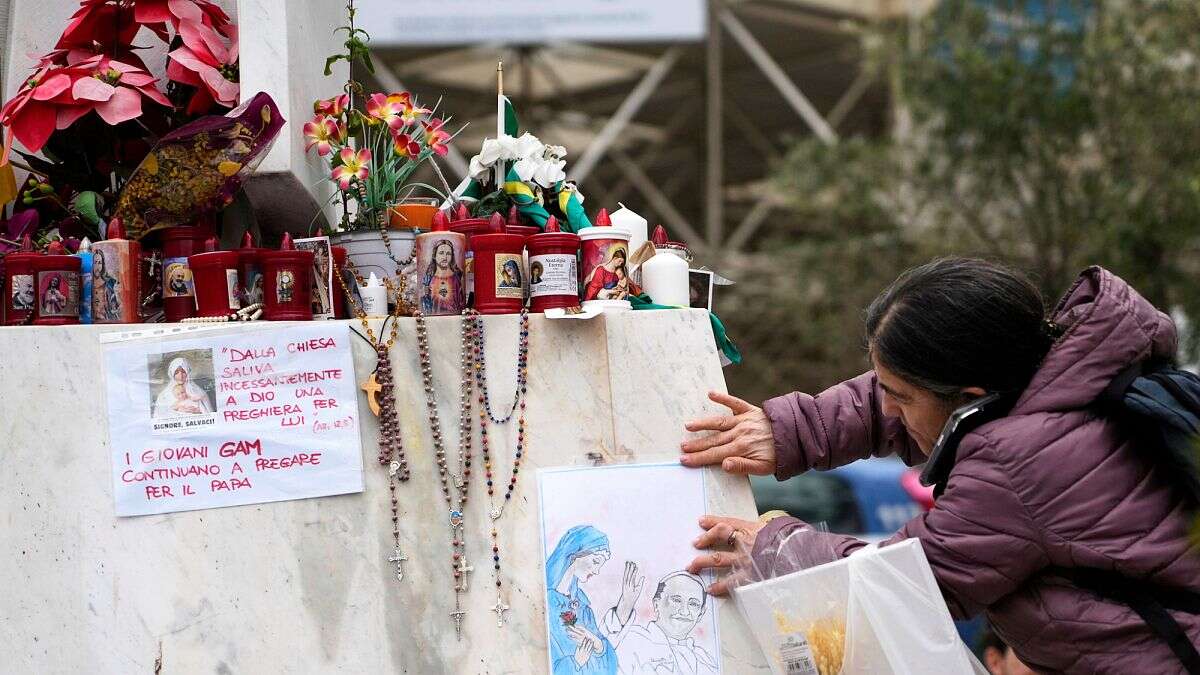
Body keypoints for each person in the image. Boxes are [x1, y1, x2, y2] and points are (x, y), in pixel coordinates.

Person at [682, 259, 1200, 674]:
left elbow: (908, 585)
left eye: (901, 398)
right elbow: (898, 394)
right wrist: (794, 428)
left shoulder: (1019, 462)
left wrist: (775, 547)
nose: (889, 411)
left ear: (966, 398)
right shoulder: (1052, 372)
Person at [603, 571, 718, 675]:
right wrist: (624, 607)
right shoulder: (632, 639)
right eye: (677, 600)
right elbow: (603, 655)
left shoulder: (706, 660)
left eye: (693, 604)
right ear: (657, 604)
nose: (684, 611)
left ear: (701, 613)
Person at [545, 525, 620, 675]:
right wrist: (575, 663)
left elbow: (610, 669)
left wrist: (598, 645)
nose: (596, 571)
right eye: (596, 561)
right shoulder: (546, 603)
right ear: (575, 554)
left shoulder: (583, 608)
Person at [421, 239, 464, 314]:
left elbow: (461, 303)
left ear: (452, 256)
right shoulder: (428, 279)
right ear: (435, 255)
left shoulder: (458, 277)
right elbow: (425, 305)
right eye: (441, 253)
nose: (445, 257)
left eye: (448, 253)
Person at [92, 249, 121, 321]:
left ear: (103, 264)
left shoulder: (110, 283)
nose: (97, 266)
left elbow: (116, 305)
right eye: (95, 262)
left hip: (108, 321)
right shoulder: (88, 282)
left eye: (99, 263)